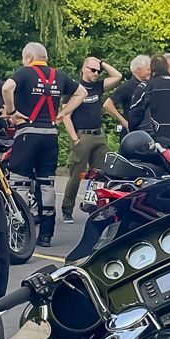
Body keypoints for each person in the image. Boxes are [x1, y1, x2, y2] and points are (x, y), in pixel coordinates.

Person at [2, 42, 77, 245]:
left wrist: (11, 112)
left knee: (20, 182)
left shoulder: (24, 73)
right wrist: (65, 111)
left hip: (27, 133)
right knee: (47, 183)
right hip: (50, 135)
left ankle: (22, 231)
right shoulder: (59, 76)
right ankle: (46, 234)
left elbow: (7, 87)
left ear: (28, 58)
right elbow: (82, 93)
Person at [58, 55, 123, 222]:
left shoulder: (98, 86)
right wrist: (75, 138)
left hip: (98, 135)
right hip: (82, 135)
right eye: (92, 70)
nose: (96, 73)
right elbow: (66, 115)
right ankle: (67, 208)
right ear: (83, 69)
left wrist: (101, 62)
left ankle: (93, 206)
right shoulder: (75, 88)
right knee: (76, 174)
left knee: (100, 175)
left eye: (98, 71)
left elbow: (117, 77)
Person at [106, 54, 152, 134]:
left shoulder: (150, 85)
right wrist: (125, 123)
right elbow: (107, 104)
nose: (150, 72)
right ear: (138, 70)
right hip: (132, 132)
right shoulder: (128, 86)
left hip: (147, 131)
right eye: (148, 69)